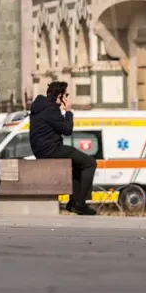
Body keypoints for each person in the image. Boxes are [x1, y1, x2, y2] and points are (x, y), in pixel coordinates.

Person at [30, 81, 96, 216]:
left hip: (43, 150)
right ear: (60, 96)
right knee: (90, 163)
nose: (67, 97)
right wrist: (68, 111)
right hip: (51, 149)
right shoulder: (51, 109)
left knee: (78, 165)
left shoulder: (40, 107)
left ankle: (74, 203)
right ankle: (80, 204)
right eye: (66, 94)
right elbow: (67, 130)